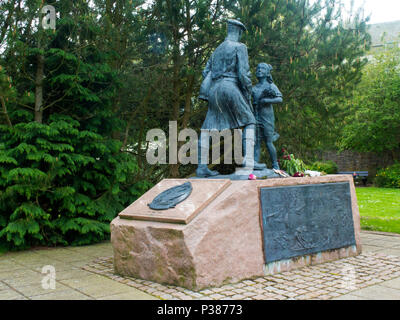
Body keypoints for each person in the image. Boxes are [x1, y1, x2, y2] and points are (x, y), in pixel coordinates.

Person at [196, 19, 265, 178]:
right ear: (239, 32)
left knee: (207, 129)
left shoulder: (217, 50)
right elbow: (243, 74)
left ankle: (201, 167)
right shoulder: (240, 47)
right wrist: (247, 91)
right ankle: (249, 162)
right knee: (250, 122)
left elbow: (205, 72)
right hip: (230, 87)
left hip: (214, 90)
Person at [252, 63, 283, 170]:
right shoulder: (254, 88)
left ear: (267, 72)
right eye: (258, 68)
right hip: (255, 117)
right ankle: (255, 164)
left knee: (269, 141)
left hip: (267, 117)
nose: (259, 70)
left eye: (262, 68)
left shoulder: (271, 86)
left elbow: (279, 99)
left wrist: (266, 100)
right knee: (256, 142)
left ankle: (275, 164)